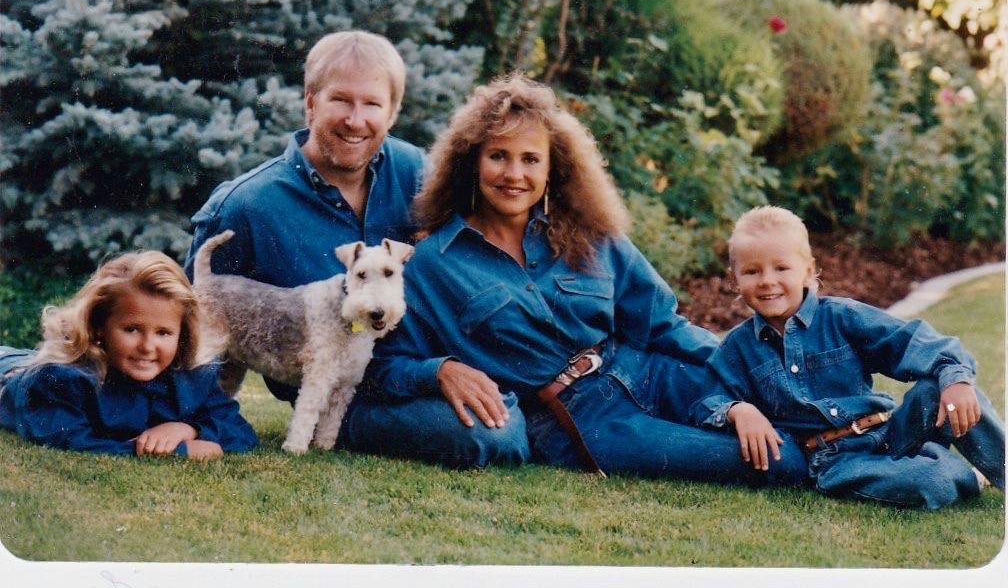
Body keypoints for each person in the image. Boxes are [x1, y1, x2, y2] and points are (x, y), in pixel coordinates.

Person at [356, 73, 808, 484]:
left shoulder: (592, 237)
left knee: (789, 401)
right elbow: (385, 366)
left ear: (553, 169)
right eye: (498, 156)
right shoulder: (433, 264)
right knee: (779, 459)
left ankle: (866, 440)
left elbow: (663, 326)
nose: (515, 174)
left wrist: (741, 379)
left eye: (531, 159)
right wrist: (441, 370)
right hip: (576, 418)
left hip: (644, 371)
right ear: (471, 162)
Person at [184, 30, 529, 467]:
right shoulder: (244, 207)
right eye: (340, 101)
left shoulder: (419, 176)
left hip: (426, 362)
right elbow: (190, 326)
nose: (355, 119)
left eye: (371, 105)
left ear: (393, 112)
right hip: (342, 391)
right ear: (310, 103)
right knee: (493, 436)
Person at [691, 205, 1005, 508]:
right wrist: (738, 411)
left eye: (781, 268)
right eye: (752, 271)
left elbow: (916, 342)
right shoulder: (737, 347)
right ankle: (954, 472)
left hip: (890, 430)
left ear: (807, 271)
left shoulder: (843, 316)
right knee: (930, 481)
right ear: (734, 280)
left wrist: (955, 378)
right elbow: (707, 402)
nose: (767, 280)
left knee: (946, 390)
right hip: (837, 459)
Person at [0, 251, 258, 459]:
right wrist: (179, 452)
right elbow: (71, 442)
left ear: (183, 335)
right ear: (99, 326)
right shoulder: (63, 380)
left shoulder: (193, 377)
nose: (148, 346)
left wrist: (188, 429)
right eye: (132, 329)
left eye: (163, 333)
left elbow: (241, 431)